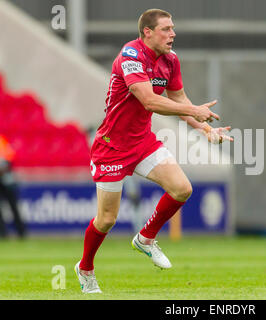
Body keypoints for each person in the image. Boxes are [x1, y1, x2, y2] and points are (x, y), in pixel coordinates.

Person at [75, 8, 233, 293]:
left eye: (173, 28)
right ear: (147, 32)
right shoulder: (131, 56)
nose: (172, 34)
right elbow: (149, 101)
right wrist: (193, 110)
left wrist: (205, 129)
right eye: (166, 29)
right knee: (107, 219)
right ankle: (85, 268)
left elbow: (179, 99)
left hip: (143, 142)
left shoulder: (170, 61)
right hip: (112, 146)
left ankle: (145, 238)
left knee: (182, 189)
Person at [0, 135, 26, 239]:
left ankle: (21, 232)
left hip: (7, 180)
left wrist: (3, 169)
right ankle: (3, 233)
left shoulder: (2, 141)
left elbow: (10, 158)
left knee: (13, 206)